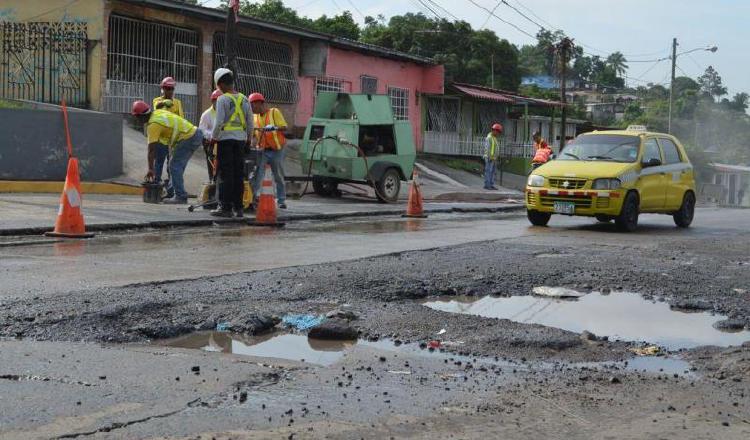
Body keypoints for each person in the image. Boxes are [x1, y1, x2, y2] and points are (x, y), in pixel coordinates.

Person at [131, 100, 201, 204]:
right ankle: (174, 193)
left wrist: (151, 169)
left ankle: (180, 196)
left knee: (174, 166)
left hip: (188, 136)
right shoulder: (158, 113)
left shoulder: (153, 125)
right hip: (195, 134)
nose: (137, 120)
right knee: (176, 166)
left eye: (136, 118)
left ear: (141, 116)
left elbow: (151, 150)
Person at [210, 68, 253, 218]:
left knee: (225, 174)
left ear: (220, 84)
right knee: (238, 175)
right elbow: (250, 122)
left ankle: (225, 207)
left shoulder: (222, 99)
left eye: (218, 85)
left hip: (226, 141)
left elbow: (218, 122)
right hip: (240, 141)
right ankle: (238, 208)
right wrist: (249, 139)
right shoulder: (245, 99)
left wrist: (213, 138)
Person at [249, 92, 289, 209]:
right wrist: (252, 143)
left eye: (253, 105)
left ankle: (281, 200)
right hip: (262, 150)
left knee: (278, 175)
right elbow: (255, 135)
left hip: (277, 150)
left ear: (260, 103)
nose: (252, 108)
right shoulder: (255, 117)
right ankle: (253, 199)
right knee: (258, 174)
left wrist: (275, 127)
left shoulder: (274, 112)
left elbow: (285, 127)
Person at [151, 77, 184, 191]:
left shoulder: (177, 103)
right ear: (163, 89)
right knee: (159, 162)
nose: (169, 91)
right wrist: (164, 102)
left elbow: (181, 119)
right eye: (167, 88)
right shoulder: (157, 101)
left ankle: (171, 188)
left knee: (172, 165)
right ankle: (156, 183)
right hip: (161, 139)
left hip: (173, 140)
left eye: (171, 89)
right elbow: (156, 108)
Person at [483, 123, 503, 190]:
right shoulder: (489, 138)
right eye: (498, 132)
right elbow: (487, 148)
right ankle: (487, 185)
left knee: (493, 172)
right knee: (488, 171)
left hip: (493, 158)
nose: (498, 134)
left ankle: (491, 184)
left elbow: (495, 149)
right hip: (489, 158)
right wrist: (490, 157)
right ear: (494, 130)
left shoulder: (494, 138)